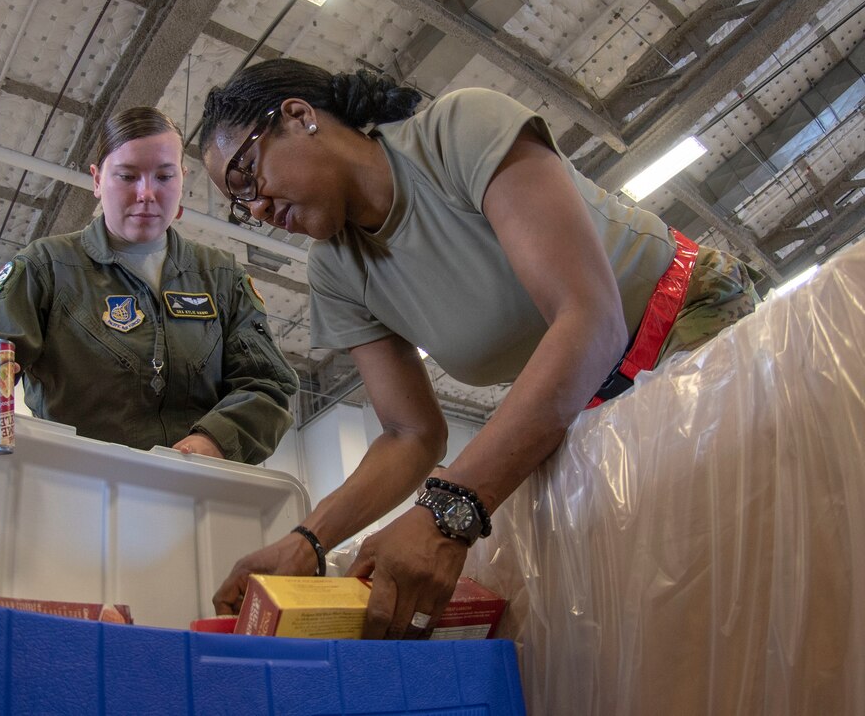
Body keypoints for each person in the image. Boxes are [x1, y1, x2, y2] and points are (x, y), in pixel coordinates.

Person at [198, 58, 760, 637]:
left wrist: (448, 511)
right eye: (241, 207)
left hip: (690, 324)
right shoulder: (335, 274)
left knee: (744, 570)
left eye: (246, 176)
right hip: (588, 407)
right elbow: (411, 435)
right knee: (663, 606)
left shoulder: (458, 132)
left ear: (298, 117)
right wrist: (305, 542)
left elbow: (589, 318)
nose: (257, 209)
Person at [0, 106, 299, 465]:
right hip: (75, 492)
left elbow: (269, 385)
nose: (146, 193)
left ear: (183, 180)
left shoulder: (222, 278)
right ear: (97, 180)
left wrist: (215, 440)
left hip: (196, 495)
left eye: (164, 176)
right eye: (128, 176)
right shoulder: (47, 268)